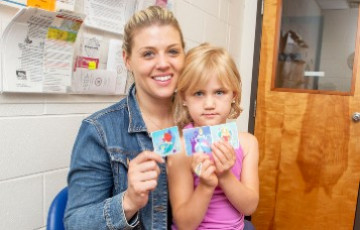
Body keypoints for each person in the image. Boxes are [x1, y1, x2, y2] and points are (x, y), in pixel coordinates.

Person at [64, 6, 185, 229]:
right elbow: (75, 223)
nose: (163, 63)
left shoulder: (195, 121)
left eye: (173, 51)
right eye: (148, 53)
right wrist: (128, 201)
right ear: (127, 59)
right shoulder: (99, 131)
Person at [168, 43, 259, 230]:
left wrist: (225, 175)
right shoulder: (180, 145)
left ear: (233, 94)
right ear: (184, 98)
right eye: (199, 93)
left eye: (219, 92)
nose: (209, 104)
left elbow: (250, 206)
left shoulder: (248, 143)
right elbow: (185, 224)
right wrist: (206, 186)